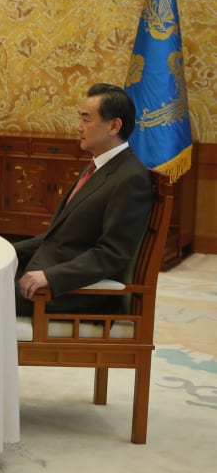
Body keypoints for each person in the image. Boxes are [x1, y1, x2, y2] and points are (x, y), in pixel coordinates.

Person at [15, 83, 154, 316]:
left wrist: (50, 277)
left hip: (73, 292)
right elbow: (58, 238)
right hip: (45, 274)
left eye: (86, 120)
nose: (78, 127)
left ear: (114, 126)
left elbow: (112, 254)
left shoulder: (130, 179)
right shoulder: (99, 166)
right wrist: (7, 252)